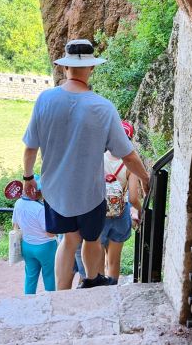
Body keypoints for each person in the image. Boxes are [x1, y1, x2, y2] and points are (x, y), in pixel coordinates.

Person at [22, 39, 151, 289]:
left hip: (55, 191)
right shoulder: (103, 107)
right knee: (91, 239)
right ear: (92, 68)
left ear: (64, 67)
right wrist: (145, 177)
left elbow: (30, 147)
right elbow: (127, 155)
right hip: (89, 194)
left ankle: (60, 292)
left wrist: (28, 178)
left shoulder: (45, 100)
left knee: (68, 240)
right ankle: (91, 281)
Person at [99, 120, 146, 281]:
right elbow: (133, 198)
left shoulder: (99, 158)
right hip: (120, 214)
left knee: (97, 259)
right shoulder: (129, 165)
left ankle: (98, 290)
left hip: (98, 214)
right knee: (114, 262)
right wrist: (141, 211)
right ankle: (112, 290)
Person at [11, 175, 57, 294]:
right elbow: (50, 234)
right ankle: (51, 299)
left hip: (27, 245)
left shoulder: (18, 203)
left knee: (30, 277)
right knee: (49, 275)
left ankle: (28, 300)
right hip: (45, 247)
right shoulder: (40, 208)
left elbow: (15, 225)